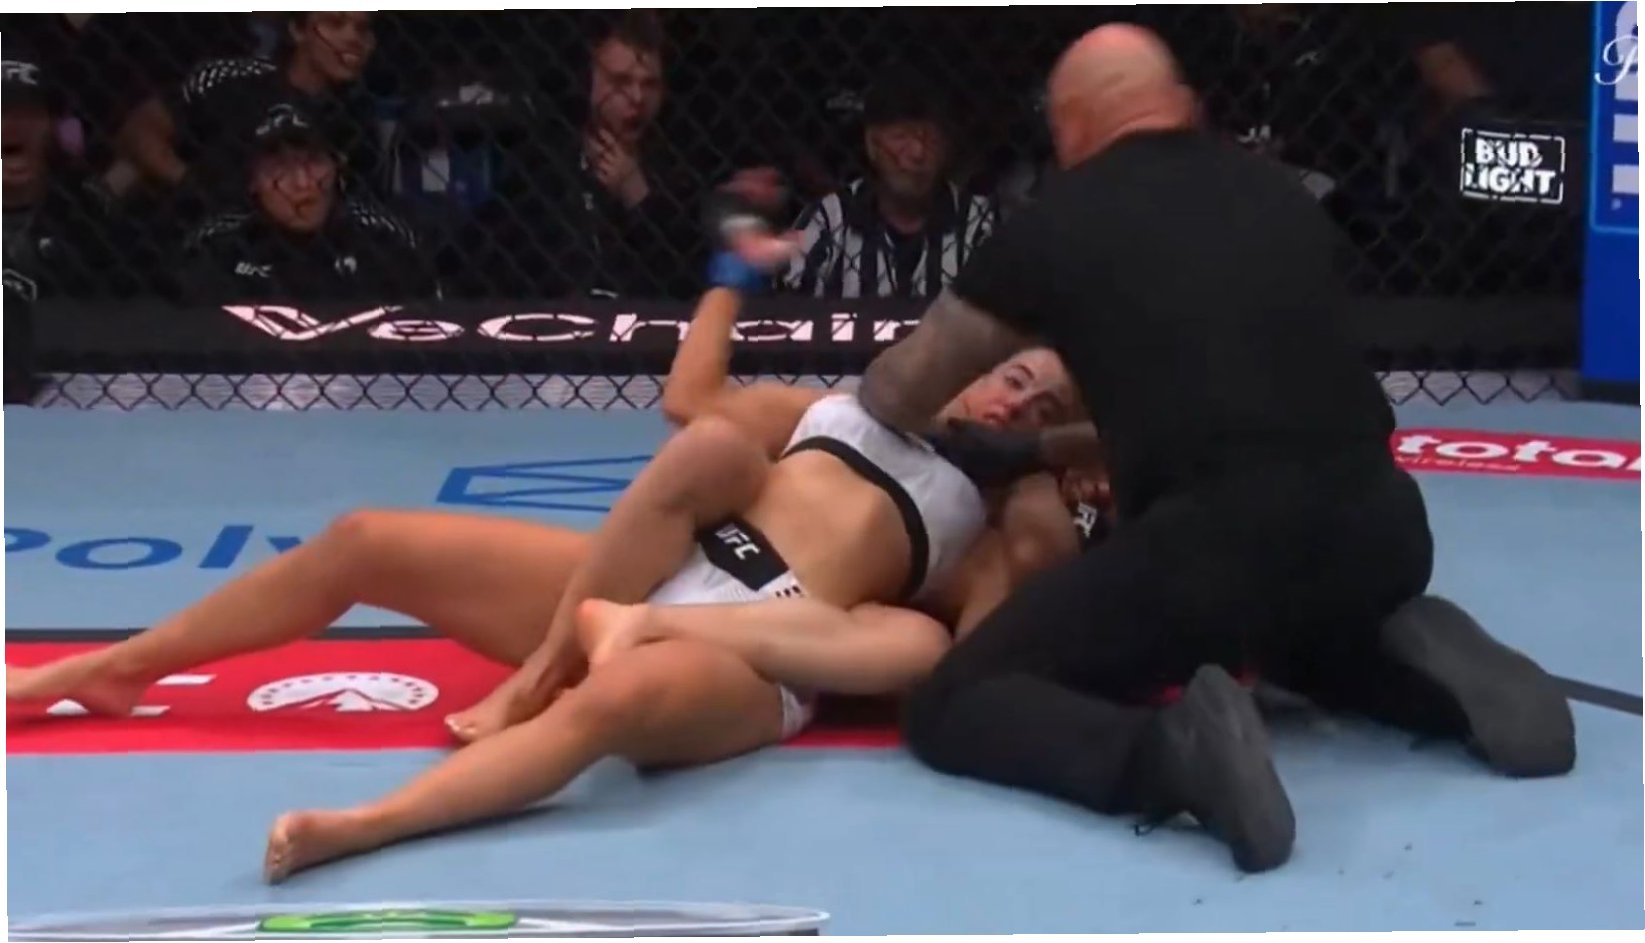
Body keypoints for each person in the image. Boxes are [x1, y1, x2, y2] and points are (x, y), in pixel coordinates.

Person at [9, 244, 1094, 882]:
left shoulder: (985, 523)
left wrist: (1060, 471)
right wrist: (727, 274)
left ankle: (370, 824)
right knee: (366, 539)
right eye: (1014, 379)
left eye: (1041, 405)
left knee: (621, 695)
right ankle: (110, 669)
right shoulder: (834, 409)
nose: (1016, 402)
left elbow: (969, 648)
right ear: (972, 367)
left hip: (748, 651)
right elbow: (689, 401)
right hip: (640, 573)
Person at [843, 24, 1575, 874]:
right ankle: (1425, 683)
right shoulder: (1283, 198)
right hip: (1383, 532)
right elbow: (1239, 397)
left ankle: (1167, 756)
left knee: (954, 698)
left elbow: (899, 391)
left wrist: (936, 417)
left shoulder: (1056, 223)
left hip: (1213, 552)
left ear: (1068, 126)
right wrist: (1044, 444)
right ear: (1180, 104)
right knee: (1290, 642)